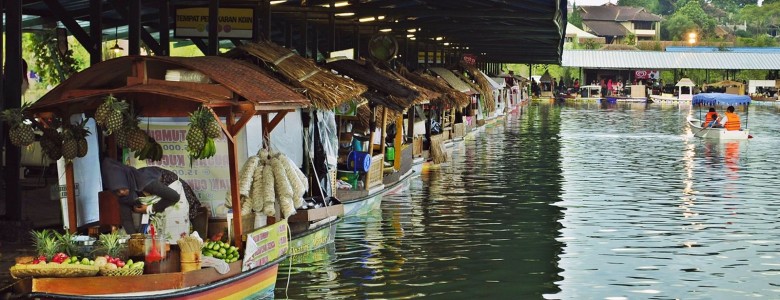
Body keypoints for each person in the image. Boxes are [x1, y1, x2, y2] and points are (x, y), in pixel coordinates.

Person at [101, 158, 181, 234]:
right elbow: (126, 220)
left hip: (172, 190)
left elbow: (174, 197)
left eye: (123, 187)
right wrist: (134, 238)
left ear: (126, 181)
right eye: (117, 191)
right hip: (157, 202)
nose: (121, 192)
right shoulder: (123, 198)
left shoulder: (144, 181)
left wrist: (150, 208)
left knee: (173, 228)